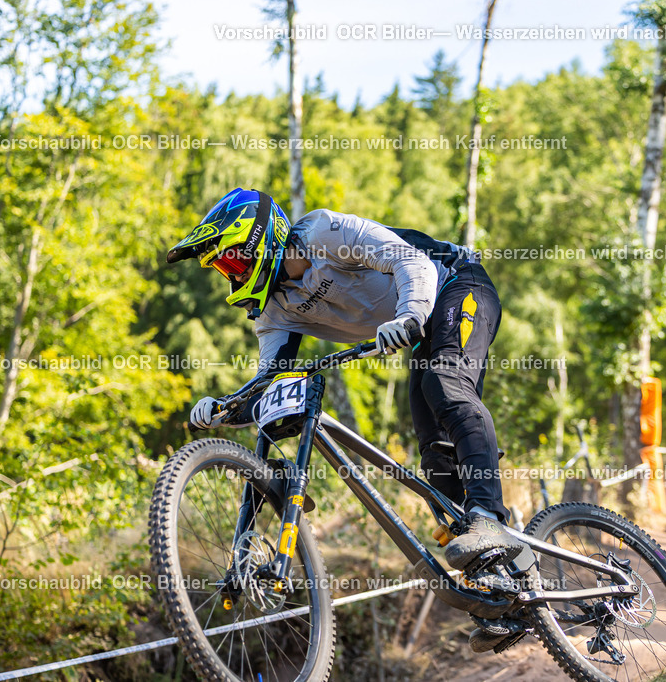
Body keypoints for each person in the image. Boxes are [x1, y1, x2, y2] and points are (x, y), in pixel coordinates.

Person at [166, 188, 524, 573]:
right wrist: (226, 409)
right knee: (437, 456)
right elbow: (269, 384)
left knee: (445, 382)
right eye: (225, 271)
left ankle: (490, 516)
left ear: (260, 239)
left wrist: (408, 316)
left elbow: (411, 262)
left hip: (457, 283)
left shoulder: (323, 233)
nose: (233, 277)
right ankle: (504, 584)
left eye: (234, 264)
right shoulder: (273, 310)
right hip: (420, 319)